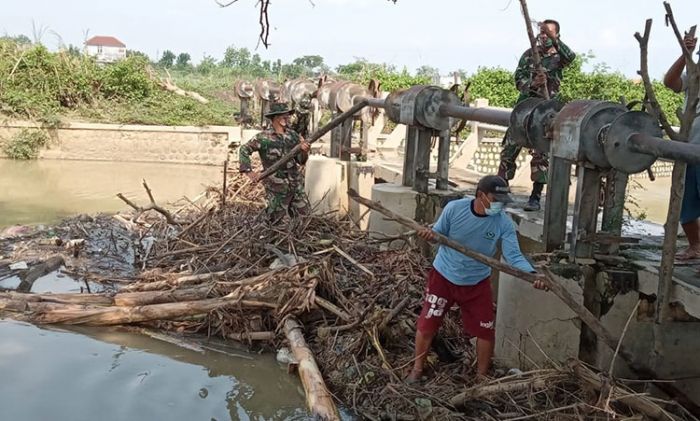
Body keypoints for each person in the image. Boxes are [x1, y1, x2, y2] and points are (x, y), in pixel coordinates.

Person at [407, 175, 548, 383]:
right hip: (444, 276)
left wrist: (532, 274)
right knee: (428, 323)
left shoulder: (504, 223)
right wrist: (430, 235)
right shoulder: (455, 209)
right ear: (481, 195)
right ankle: (417, 369)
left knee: (485, 330)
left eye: (503, 200)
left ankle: (481, 377)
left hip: (476, 283)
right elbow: (437, 233)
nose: (499, 204)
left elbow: (514, 256)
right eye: (495, 198)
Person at [497, 19, 576, 211]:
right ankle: (500, 190)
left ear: (556, 35)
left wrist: (552, 38)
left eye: (548, 33)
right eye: (541, 32)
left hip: (546, 112)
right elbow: (518, 78)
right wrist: (533, 83)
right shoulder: (529, 55)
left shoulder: (559, 57)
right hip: (525, 108)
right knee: (509, 149)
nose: (543, 36)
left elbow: (571, 56)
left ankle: (535, 197)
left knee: (541, 155)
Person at [239, 102, 311, 222]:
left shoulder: (293, 136)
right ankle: (272, 239)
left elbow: (301, 161)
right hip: (276, 186)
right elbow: (244, 149)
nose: (287, 118)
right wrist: (249, 171)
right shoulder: (263, 138)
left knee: (304, 217)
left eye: (287, 115)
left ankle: (297, 238)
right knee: (276, 220)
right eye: (283, 116)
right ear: (275, 118)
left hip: (295, 183)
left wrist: (304, 151)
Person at [663, 33, 700, 261]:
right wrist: (683, 54)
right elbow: (670, 82)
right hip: (689, 151)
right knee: (686, 203)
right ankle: (696, 246)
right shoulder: (693, 79)